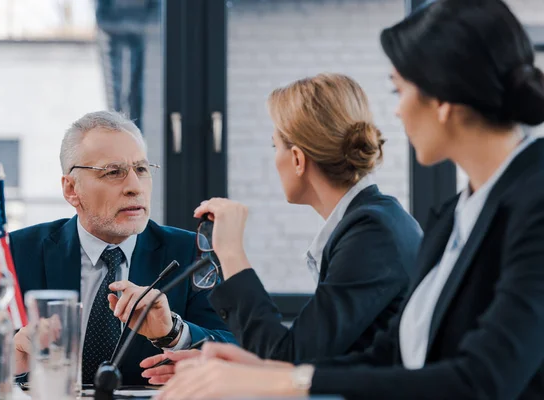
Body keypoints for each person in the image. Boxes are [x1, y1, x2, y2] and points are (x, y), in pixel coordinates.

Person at [156, 0, 544, 399]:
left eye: (400, 90)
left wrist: (286, 378)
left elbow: (482, 380)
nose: (395, 112)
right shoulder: (457, 215)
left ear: (443, 99)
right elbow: (393, 356)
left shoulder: (534, 203)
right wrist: (260, 370)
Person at [141, 73, 422, 384]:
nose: (275, 158)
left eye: (276, 145)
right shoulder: (375, 221)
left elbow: (288, 358)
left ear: (298, 159)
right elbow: (319, 360)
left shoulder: (371, 234)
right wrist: (229, 366)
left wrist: (232, 253)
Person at [0, 111, 234, 386]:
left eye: (142, 170)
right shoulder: (14, 252)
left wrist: (175, 334)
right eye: (113, 172)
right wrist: (8, 362)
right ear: (71, 189)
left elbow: (238, 348)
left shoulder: (192, 251)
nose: (135, 187)